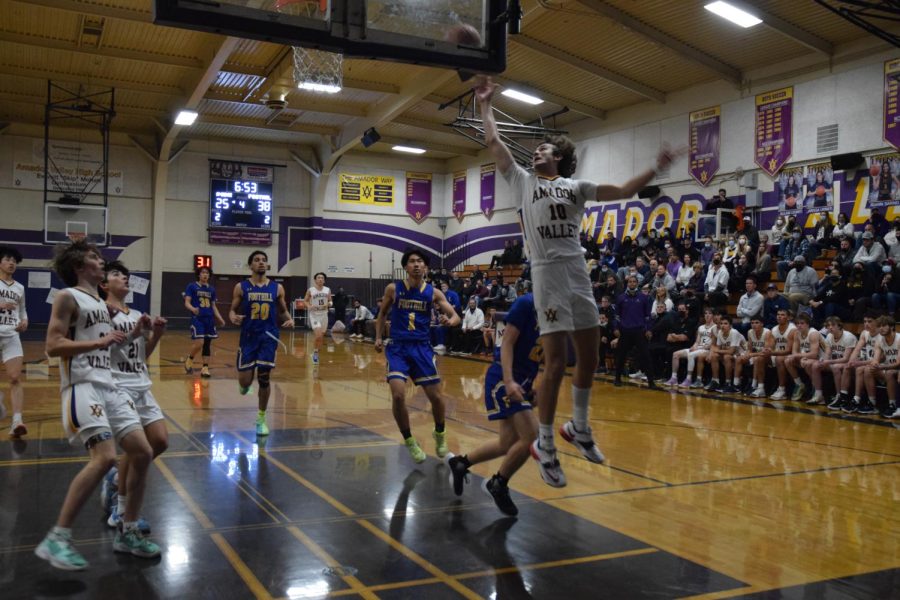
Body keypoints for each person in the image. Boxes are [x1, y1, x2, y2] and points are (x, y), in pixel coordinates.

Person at [476, 74, 679, 486]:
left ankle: (578, 427)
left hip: (577, 271)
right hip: (547, 274)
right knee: (554, 363)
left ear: (560, 159)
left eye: (544, 148)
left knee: (589, 352)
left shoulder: (576, 187)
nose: (537, 152)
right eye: (534, 150)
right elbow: (495, 144)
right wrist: (484, 104)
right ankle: (546, 443)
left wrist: (655, 168)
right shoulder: (522, 181)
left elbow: (622, 189)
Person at [37, 241, 159, 571]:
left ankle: (128, 530)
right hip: (83, 386)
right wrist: (100, 341)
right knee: (105, 457)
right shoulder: (68, 297)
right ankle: (57, 538)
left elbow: (111, 349)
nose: (100, 261)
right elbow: (53, 345)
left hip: (110, 385)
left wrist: (135, 332)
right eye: (93, 257)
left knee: (143, 452)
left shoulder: (102, 305)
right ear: (79, 267)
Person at [445, 292, 540, 515]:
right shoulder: (527, 303)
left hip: (522, 380)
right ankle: (498, 483)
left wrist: (530, 386)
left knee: (507, 443)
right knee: (531, 437)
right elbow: (507, 344)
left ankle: (461, 464)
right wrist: (509, 381)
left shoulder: (558, 311)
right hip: (503, 378)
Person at [100, 261, 169, 532]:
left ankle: (117, 478)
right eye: (116, 274)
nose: (124, 277)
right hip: (118, 386)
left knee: (160, 442)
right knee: (140, 450)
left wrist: (157, 334)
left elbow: (142, 355)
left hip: (141, 385)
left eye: (125, 274)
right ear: (104, 284)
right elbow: (103, 351)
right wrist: (134, 333)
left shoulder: (138, 312)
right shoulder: (102, 313)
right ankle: (120, 509)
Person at [374, 248, 460, 463]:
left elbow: (456, 316)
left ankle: (439, 433)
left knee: (437, 398)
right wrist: (378, 336)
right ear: (405, 267)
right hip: (398, 348)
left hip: (422, 348)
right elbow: (382, 313)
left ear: (426, 268)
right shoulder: (394, 289)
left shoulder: (433, 292)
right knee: (398, 395)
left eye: (420, 261)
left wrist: (450, 322)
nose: (416, 264)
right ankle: (410, 440)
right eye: (412, 261)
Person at [229, 250, 294, 436]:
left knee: (264, 378)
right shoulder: (241, 287)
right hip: (248, 337)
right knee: (245, 381)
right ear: (250, 265)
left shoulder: (277, 288)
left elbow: (282, 311)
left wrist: (290, 319)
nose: (261, 263)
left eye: (264, 260)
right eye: (257, 260)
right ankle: (244, 385)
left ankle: (261, 418)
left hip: (268, 337)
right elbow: (232, 310)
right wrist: (233, 317)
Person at [0, 245, 28, 436]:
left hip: (11, 334)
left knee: (15, 377)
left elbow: (22, 309)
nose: (11, 263)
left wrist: (25, 320)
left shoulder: (19, 287)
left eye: (14, 261)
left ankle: (17, 421)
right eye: (8, 259)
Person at [182, 266, 226, 378]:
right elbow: (187, 302)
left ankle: (205, 368)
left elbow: (213, 306)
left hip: (209, 320)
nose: (205, 275)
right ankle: (190, 359)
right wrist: (193, 309)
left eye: (207, 273)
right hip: (198, 319)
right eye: (203, 272)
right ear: (199, 274)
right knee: (199, 342)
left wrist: (220, 318)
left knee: (207, 344)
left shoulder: (211, 289)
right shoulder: (192, 286)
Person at [614, 275, 656, 390]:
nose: (632, 283)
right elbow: (617, 316)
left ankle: (651, 381)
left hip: (639, 331)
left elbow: (648, 316)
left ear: (637, 283)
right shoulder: (621, 298)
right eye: (630, 282)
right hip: (625, 331)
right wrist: (616, 328)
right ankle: (617, 378)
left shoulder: (644, 297)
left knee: (646, 356)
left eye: (634, 282)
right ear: (627, 283)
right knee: (621, 356)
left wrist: (648, 329)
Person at [830, 314, 877, 412]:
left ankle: (869, 401)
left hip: (878, 364)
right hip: (867, 362)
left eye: (869, 321)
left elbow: (877, 359)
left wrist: (858, 363)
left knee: (861, 368)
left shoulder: (881, 335)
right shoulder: (864, 333)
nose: (866, 324)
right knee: (848, 366)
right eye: (864, 322)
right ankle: (845, 398)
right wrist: (851, 361)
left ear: (877, 322)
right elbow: (857, 349)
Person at [808, 317, 857, 406]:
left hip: (851, 363)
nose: (830, 327)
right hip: (836, 362)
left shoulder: (848, 337)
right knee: (815, 365)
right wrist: (824, 361)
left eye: (833, 325)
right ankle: (818, 394)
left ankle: (839, 396)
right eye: (828, 326)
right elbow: (828, 352)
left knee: (835, 367)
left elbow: (846, 359)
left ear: (839, 325)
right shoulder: (830, 336)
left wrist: (828, 362)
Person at [861, 315, 900, 417]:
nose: (881, 328)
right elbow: (875, 359)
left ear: (891, 327)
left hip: (896, 369)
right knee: (868, 369)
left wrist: (882, 367)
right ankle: (872, 403)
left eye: (884, 326)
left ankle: (892, 404)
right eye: (879, 326)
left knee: (889, 373)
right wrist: (874, 364)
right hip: (888, 368)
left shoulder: (899, 339)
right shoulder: (880, 340)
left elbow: (898, 363)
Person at [783, 312, 826, 402]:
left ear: (808, 324)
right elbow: (795, 351)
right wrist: (797, 356)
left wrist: (799, 356)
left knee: (807, 363)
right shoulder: (797, 333)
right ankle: (799, 384)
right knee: (787, 360)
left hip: (821, 358)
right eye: (797, 323)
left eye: (802, 323)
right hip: (808, 357)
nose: (799, 325)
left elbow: (814, 354)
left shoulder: (813, 333)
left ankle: (815, 388)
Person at [671, 308, 716, 388]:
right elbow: (697, 341)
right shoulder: (701, 327)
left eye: (709, 313)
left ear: (713, 315)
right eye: (705, 313)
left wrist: (698, 347)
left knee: (691, 355)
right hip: (699, 348)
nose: (707, 315)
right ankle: (674, 378)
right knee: (676, 354)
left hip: (707, 350)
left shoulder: (715, 327)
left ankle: (688, 379)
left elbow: (713, 343)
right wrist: (694, 346)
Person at [706, 314, 746, 393]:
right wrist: (716, 351)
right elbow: (718, 348)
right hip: (732, 354)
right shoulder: (720, 332)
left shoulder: (734, 332)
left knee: (726, 357)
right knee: (714, 356)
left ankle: (728, 383)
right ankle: (716, 381)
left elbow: (731, 351)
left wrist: (717, 350)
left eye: (725, 323)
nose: (722, 326)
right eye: (721, 324)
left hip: (741, 354)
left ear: (730, 325)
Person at [733, 316, 771, 397]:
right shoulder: (750, 332)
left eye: (756, 323)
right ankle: (736, 385)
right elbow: (750, 349)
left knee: (757, 359)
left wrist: (751, 354)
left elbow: (765, 352)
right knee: (739, 359)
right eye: (752, 323)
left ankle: (753, 385)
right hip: (756, 354)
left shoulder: (767, 333)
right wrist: (747, 354)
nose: (754, 325)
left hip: (769, 357)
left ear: (762, 324)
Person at [768, 309, 798, 400]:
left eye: (782, 315)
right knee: (760, 358)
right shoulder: (774, 329)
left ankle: (782, 389)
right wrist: (767, 350)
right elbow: (771, 346)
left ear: (788, 317)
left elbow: (789, 350)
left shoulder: (792, 329)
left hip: (792, 354)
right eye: (778, 314)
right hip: (778, 353)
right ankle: (759, 386)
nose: (779, 316)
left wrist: (772, 352)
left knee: (779, 359)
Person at [304, 272, 332, 365]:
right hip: (314, 315)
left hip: (324, 315)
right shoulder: (310, 290)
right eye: (318, 278)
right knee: (318, 335)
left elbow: (330, 301)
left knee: (321, 338)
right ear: (315, 280)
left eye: (322, 278)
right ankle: (315, 354)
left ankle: (316, 351)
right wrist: (309, 306)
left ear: (324, 280)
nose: (320, 279)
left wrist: (329, 304)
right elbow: (305, 300)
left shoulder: (327, 290)